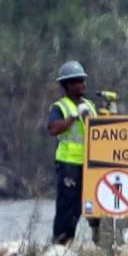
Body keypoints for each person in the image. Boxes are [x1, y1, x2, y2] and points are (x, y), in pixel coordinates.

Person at [44, 59, 96, 244]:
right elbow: (53, 129)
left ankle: (98, 242)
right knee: (69, 206)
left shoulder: (89, 106)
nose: (83, 84)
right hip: (69, 164)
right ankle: (61, 244)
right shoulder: (61, 107)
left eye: (83, 80)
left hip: (91, 165)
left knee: (95, 203)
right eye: (78, 81)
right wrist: (73, 117)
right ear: (68, 84)